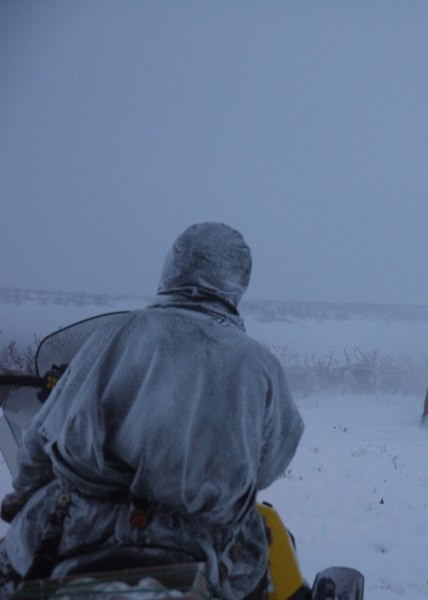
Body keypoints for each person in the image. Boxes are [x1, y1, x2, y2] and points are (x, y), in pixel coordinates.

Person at [0, 222, 304, 598]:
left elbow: (41, 436)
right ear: (238, 280)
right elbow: (271, 462)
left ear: (172, 268)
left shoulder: (114, 335)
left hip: (76, 523)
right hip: (199, 539)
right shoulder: (259, 365)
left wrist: (25, 495)